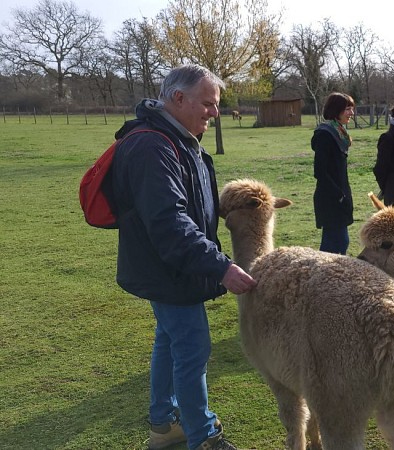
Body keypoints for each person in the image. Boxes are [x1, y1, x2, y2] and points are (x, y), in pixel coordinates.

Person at [111, 64, 256, 450]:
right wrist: (221, 266)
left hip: (171, 265)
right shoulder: (152, 146)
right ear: (178, 98)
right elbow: (169, 223)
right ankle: (203, 436)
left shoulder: (176, 137)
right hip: (168, 267)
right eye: (208, 103)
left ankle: (164, 424)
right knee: (192, 347)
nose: (215, 112)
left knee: (169, 340)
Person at [312, 92, 355, 255]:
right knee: (335, 244)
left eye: (352, 109)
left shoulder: (339, 133)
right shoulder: (325, 134)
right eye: (347, 109)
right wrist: (339, 195)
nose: (351, 113)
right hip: (331, 199)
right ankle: (325, 277)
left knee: (338, 243)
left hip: (339, 197)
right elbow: (320, 172)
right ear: (336, 110)